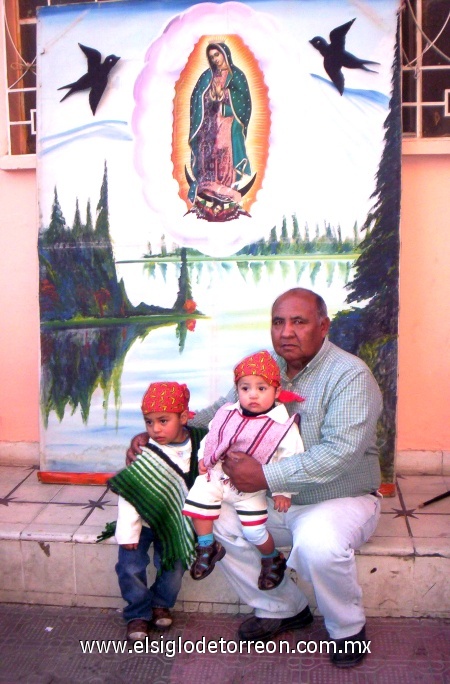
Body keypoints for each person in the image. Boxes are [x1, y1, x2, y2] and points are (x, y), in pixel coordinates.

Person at [127, 288, 383, 667]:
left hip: (336, 498)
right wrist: (161, 433)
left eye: (299, 322)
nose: (286, 332)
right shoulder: (264, 368)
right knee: (208, 517)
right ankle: (283, 608)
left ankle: (347, 629)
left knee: (318, 543)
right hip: (267, 497)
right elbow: (218, 414)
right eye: (279, 322)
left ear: (324, 326)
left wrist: (264, 474)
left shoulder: (349, 375)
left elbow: (339, 454)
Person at [182, 350, 305, 591]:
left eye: (262, 388)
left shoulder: (282, 425)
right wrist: (203, 458)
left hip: (251, 487)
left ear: (277, 392)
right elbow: (212, 437)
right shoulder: (228, 413)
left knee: (254, 531)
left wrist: (283, 491)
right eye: (245, 388)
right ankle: (207, 546)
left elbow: (291, 459)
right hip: (217, 475)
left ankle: (272, 558)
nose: (253, 395)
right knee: (198, 501)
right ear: (237, 390)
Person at [111, 381, 206, 642]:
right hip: (142, 521)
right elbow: (132, 493)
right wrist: (128, 532)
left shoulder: (199, 444)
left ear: (184, 417)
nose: (155, 429)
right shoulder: (145, 450)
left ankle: (160, 603)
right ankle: (137, 613)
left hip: (175, 522)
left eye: (163, 421)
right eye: (149, 422)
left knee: (174, 567)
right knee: (129, 567)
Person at [188, 42, 252, 208]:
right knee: (209, 152)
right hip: (209, 120)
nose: (215, 59)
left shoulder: (237, 75)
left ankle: (226, 187)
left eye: (217, 55)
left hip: (227, 120)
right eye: (211, 57)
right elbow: (196, 98)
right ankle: (211, 188)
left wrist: (225, 95)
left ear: (225, 54)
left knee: (223, 149)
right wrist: (209, 96)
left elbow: (244, 102)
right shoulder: (207, 76)